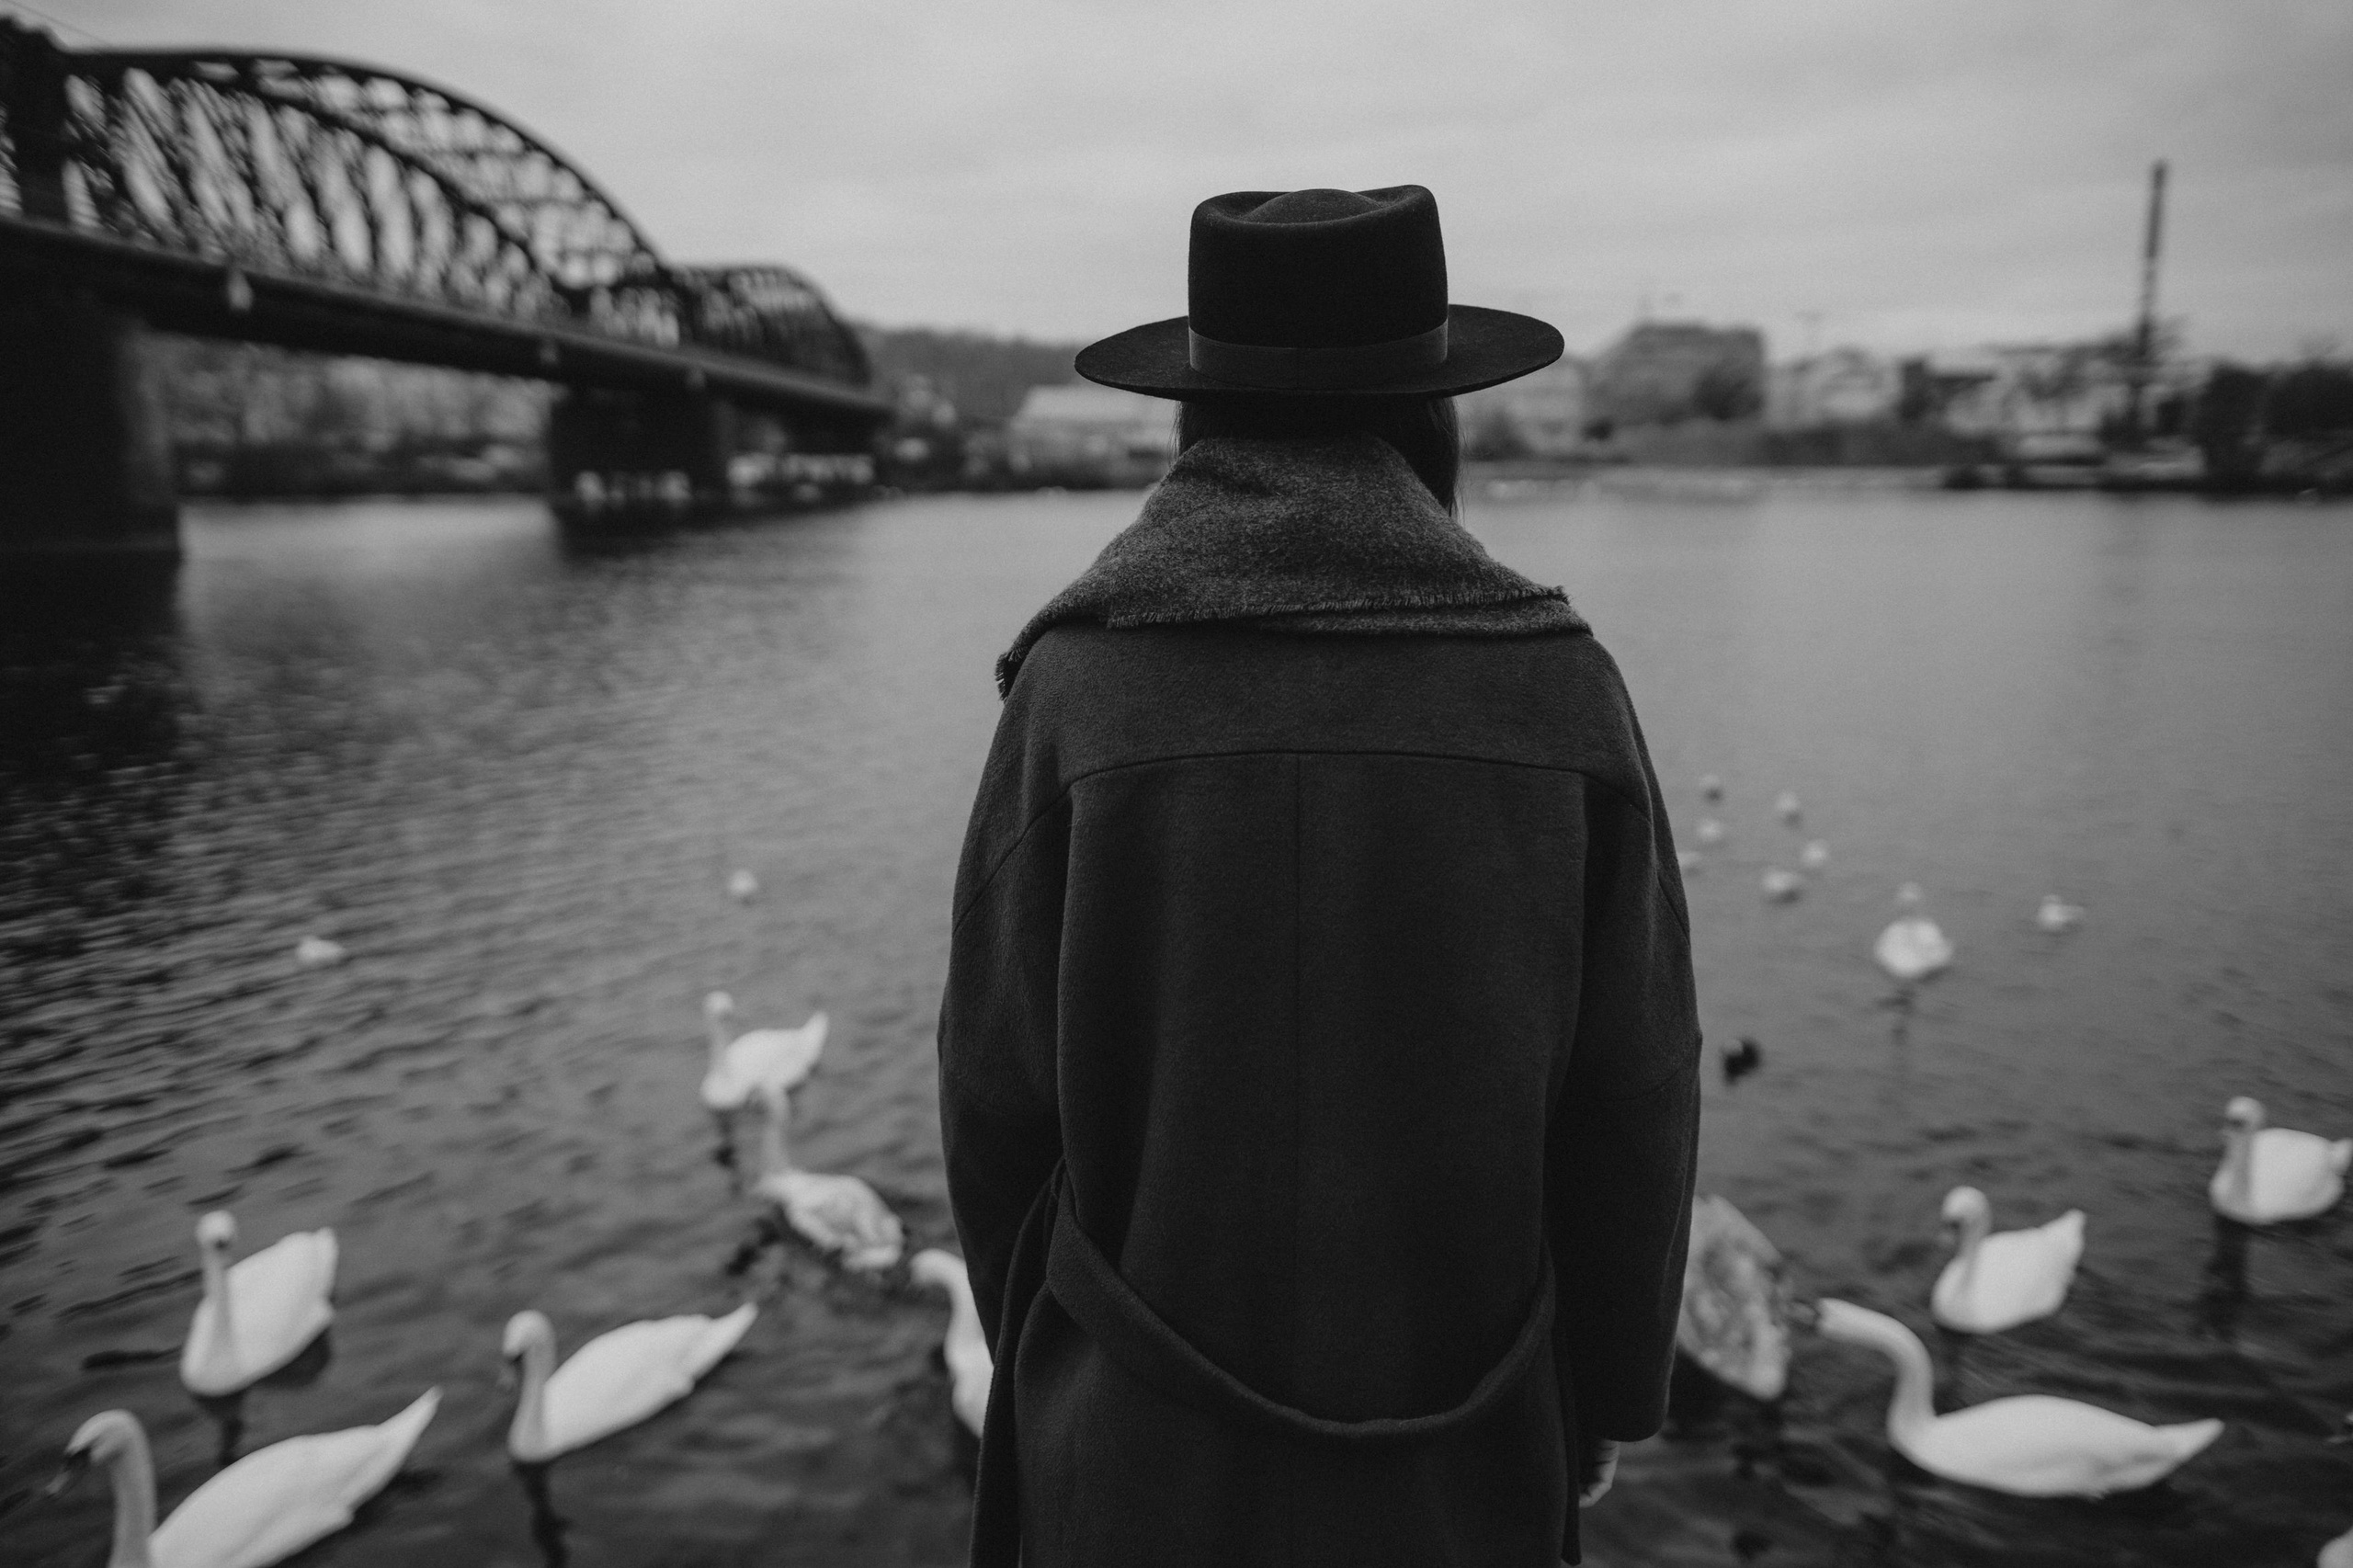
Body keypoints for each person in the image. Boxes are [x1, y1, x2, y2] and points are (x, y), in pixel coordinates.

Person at [938, 184, 1699, 1568]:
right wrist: (1603, 1394)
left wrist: (1047, 1355)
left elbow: (995, 1101)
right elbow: (1632, 1100)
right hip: (1463, 1448)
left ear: (1196, 414)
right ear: (1434, 410)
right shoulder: (1560, 692)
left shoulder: (1075, 693)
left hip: (1129, 1460)